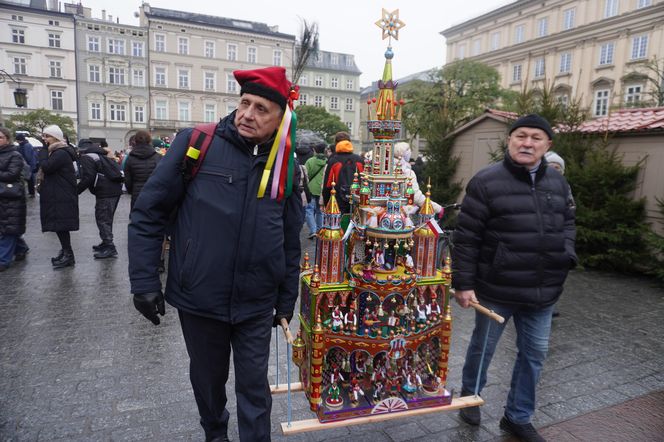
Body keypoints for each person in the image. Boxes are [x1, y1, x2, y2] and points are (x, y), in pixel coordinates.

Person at [128, 66, 303, 442]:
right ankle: (215, 432)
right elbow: (148, 212)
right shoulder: (197, 143)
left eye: (261, 109)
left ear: (280, 118)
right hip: (199, 296)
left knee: (255, 386)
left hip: (256, 301)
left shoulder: (286, 164)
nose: (247, 114)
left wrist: (287, 299)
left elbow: (290, 239)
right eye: (244, 103)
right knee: (208, 380)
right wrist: (144, 281)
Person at [452, 114, 577, 442]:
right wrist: (463, 284)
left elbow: (568, 222)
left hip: (543, 290)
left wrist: (567, 254)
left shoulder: (557, 183)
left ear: (547, 146)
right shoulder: (486, 181)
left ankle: (517, 417)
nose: (527, 143)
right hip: (497, 287)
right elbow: (466, 236)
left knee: (534, 354)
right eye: (521, 136)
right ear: (510, 140)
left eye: (536, 138)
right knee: (483, 347)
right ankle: (471, 395)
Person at [37, 125, 79, 269]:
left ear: (55, 137)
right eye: (44, 136)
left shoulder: (60, 153)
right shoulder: (57, 151)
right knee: (60, 226)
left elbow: (47, 167)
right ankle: (66, 252)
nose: (45, 139)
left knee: (62, 226)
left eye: (47, 136)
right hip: (58, 194)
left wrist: (42, 151)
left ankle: (68, 255)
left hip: (61, 194)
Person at [77, 140, 123, 259]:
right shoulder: (100, 154)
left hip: (105, 192)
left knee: (102, 219)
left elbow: (88, 177)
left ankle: (109, 246)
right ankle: (105, 242)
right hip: (114, 190)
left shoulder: (87, 157)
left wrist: (76, 191)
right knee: (107, 218)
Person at [0, 128, 29, 271]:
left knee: (8, 228)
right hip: (3, 196)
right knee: (7, 227)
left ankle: (3, 260)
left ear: (7, 139)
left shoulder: (15, 155)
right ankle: (21, 248)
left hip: (11, 197)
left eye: (0, 137)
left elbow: (12, 174)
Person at [393, 142, 444, 216]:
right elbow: (416, 197)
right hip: (401, 213)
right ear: (404, 153)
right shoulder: (408, 172)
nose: (410, 152)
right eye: (408, 150)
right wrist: (438, 208)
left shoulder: (386, 168)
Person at [321, 131, 364, 215]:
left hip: (338, 202)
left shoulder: (333, 160)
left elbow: (328, 185)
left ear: (336, 143)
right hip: (357, 201)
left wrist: (327, 204)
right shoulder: (359, 160)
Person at [123, 130, 162, 211]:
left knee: (136, 219)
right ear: (149, 141)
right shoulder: (158, 157)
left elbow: (128, 181)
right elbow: (162, 178)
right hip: (154, 195)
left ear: (135, 141)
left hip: (137, 195)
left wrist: (132, 191)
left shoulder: (130, 158)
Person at [302, 133, 327, 239]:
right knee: (320, 210)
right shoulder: (327, 161)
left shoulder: (310, 161)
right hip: (321, 189)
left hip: (311, 188)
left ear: (315, 151)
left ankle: (312, 230)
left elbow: (306, 175)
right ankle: (320, 229)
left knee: (309, 209)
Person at [15, 133, 37, 197]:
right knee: (29, 179)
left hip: (27, 165)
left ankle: (31, 193)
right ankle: (31, 192)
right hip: (27, 164)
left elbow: (28, 156)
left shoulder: (25, 145)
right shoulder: (26, 145)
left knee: (29, 179)